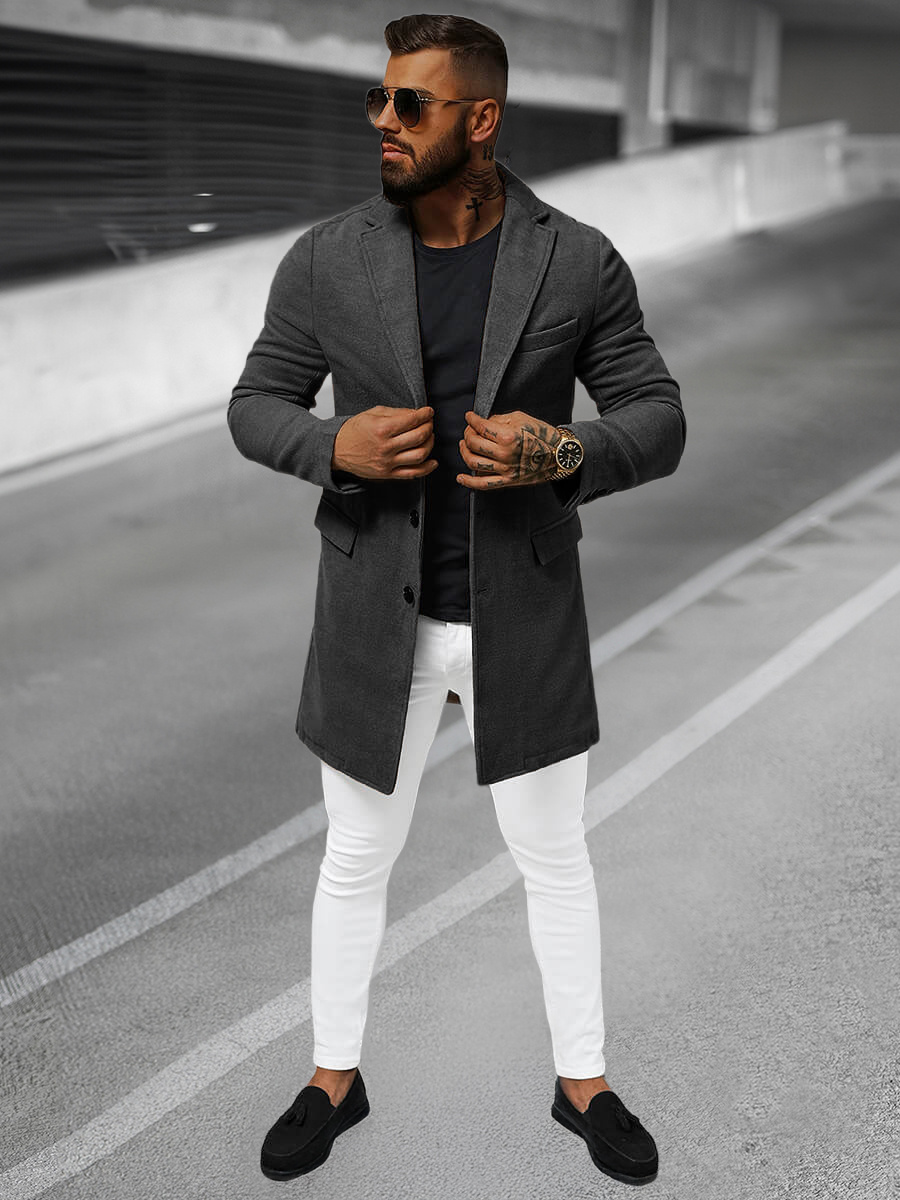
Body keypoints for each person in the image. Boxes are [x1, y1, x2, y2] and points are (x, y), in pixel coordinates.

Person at [227, 12, 684, 1187]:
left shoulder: (576, 260)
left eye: (409, 104)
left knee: (554, 858)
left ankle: (583, 1085)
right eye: (379, 99)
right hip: (371, 618)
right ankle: (335, 1078)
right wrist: (332, 447)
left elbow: (658, 416)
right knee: (354, 857)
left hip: (519, 615)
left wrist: (564, 451)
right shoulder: (328, 259)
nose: (383, 121)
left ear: (480, 120)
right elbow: (255, 402)